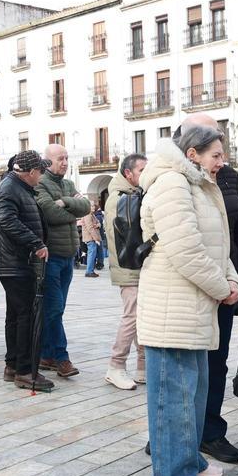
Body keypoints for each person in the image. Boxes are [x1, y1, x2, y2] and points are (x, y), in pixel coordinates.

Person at [137, 125, 238, 476]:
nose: (222, 161)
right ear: (192, 154)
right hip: (173, 305)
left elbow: (216, 244)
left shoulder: (194, 184)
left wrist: (231, 279)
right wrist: (222, 287)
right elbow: (185, 250)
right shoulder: (172, 184)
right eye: (215, 154)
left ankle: (189, 460)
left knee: (192, 395)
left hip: (195, 304)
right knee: (173, 397)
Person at [0, 151, 52, 391]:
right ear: (30, 172)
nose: (42, 175)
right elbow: (7, 220)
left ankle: (14, 366)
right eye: (41, 171)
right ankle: (25, 370)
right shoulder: (9, 188)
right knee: (26, 315)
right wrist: (35, 243)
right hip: (15, 262)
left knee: (17, 315)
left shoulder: (16, 186)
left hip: (16, 262)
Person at [36, 144, 88, 378]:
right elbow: (50, 213)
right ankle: (61, 358)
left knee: (57, 309)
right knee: (54, 308)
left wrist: (65, 202)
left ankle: (46, 355)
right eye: (60, 159)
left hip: (68, 256)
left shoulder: (67, 184)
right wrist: (72, 207)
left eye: (66, 158)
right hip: (51, 257)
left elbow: (86, 207)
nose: (65, 162)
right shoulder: (40, 183)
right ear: (47, 162)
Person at [104, 153, 148, 391]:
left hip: (136, 265)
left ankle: (142, 367)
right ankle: (116, 366)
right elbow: (123, 239)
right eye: (141, 170)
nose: (146, 174)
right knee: (132, 316)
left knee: (141, 316)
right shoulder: (120, 198)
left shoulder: (134, 194)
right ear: (128, 174)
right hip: (129, 265)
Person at [79, 202, 101, 278]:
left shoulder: (92, 214)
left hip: (92, 237)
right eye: (91, 206)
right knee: (92, 255)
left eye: (94, 206)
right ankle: (89, 271)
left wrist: (98, 225)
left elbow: (99, 223)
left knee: (92, 254)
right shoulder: (87, 215)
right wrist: (96, 239)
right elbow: (90, 228)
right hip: (90, 238)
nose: (93, 207)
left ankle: (90, 270)